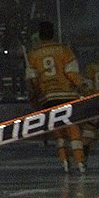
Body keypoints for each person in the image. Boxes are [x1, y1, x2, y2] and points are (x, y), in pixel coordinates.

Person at [25, 20, 87, 174]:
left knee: (57, 130)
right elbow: (71, 73)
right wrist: (82, 85)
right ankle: (79, 161)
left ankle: (64, 160)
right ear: (54, 33)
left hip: (48, 96)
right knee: (73, 128)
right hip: (67, 94)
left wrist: (35, 96)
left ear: (39, 35)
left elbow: (32, 79)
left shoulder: (32, 54)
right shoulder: (64, 50)